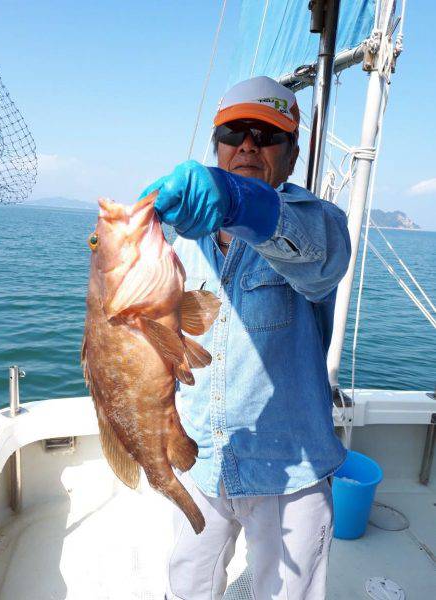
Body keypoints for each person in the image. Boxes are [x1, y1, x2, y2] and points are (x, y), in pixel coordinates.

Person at [141, 76, 351, 600]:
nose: (248, 145)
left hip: (290, 473)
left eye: (267, 134)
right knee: (186, 587)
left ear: (293, 152)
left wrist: (237, 202)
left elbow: (320, 261)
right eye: (234, 132)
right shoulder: (181, 245)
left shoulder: (318, 224)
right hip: (199, 459)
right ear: (216, 145)